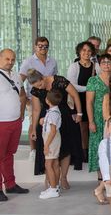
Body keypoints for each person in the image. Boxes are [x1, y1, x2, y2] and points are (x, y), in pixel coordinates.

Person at [28, 70, 83, 184]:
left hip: (65, 117)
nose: (39, 88)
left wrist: (79, 113)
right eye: (36, 87)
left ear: (43, 77)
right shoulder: (35, 90)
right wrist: (33, 128)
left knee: (66, 148)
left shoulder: (59, 80)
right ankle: (49, 178)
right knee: (48, 149)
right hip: (46, 118)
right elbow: (36, 109)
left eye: (40, 84)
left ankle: (63, 177)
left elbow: (74, 94)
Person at [0, 49, 28, 202]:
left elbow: (22, 94)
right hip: (1, 123)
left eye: (12, 59)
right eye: (6, 59)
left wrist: (22, 112)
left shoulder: (16, 75)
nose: (10, 62)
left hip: (15, 121)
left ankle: (10, 184)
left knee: (9, 154)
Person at [86, 54, 111, 204]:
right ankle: (101, 183)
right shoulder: (93, 80)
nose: (106, 65)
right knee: (100, 151)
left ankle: (107, 185)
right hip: (97, 119)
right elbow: (89, 102)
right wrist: (91, 121)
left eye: (109, 62)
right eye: (103, 62)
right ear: (99, 64)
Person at [67, 41, 97, 161]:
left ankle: (89, 151)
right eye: (84, 50)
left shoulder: (96, 66)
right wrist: (88, 89)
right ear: (79, 52)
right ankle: (81, 152)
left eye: (89, 50)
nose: (86, 53)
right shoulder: (74, 66)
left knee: (90, 126)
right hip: (78, 100)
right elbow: (71, 85)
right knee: (80, 128)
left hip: (92, 100)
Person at [39, 90, 63, 200]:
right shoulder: (53, 111)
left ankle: (53, 189)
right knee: (55, 163)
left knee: (48, 164)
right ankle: (55, 186)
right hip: (52, 138)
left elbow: (52, 131)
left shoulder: (53, 113)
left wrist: (46, 145)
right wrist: (43, 121)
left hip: (51, 139)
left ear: (47, 100)